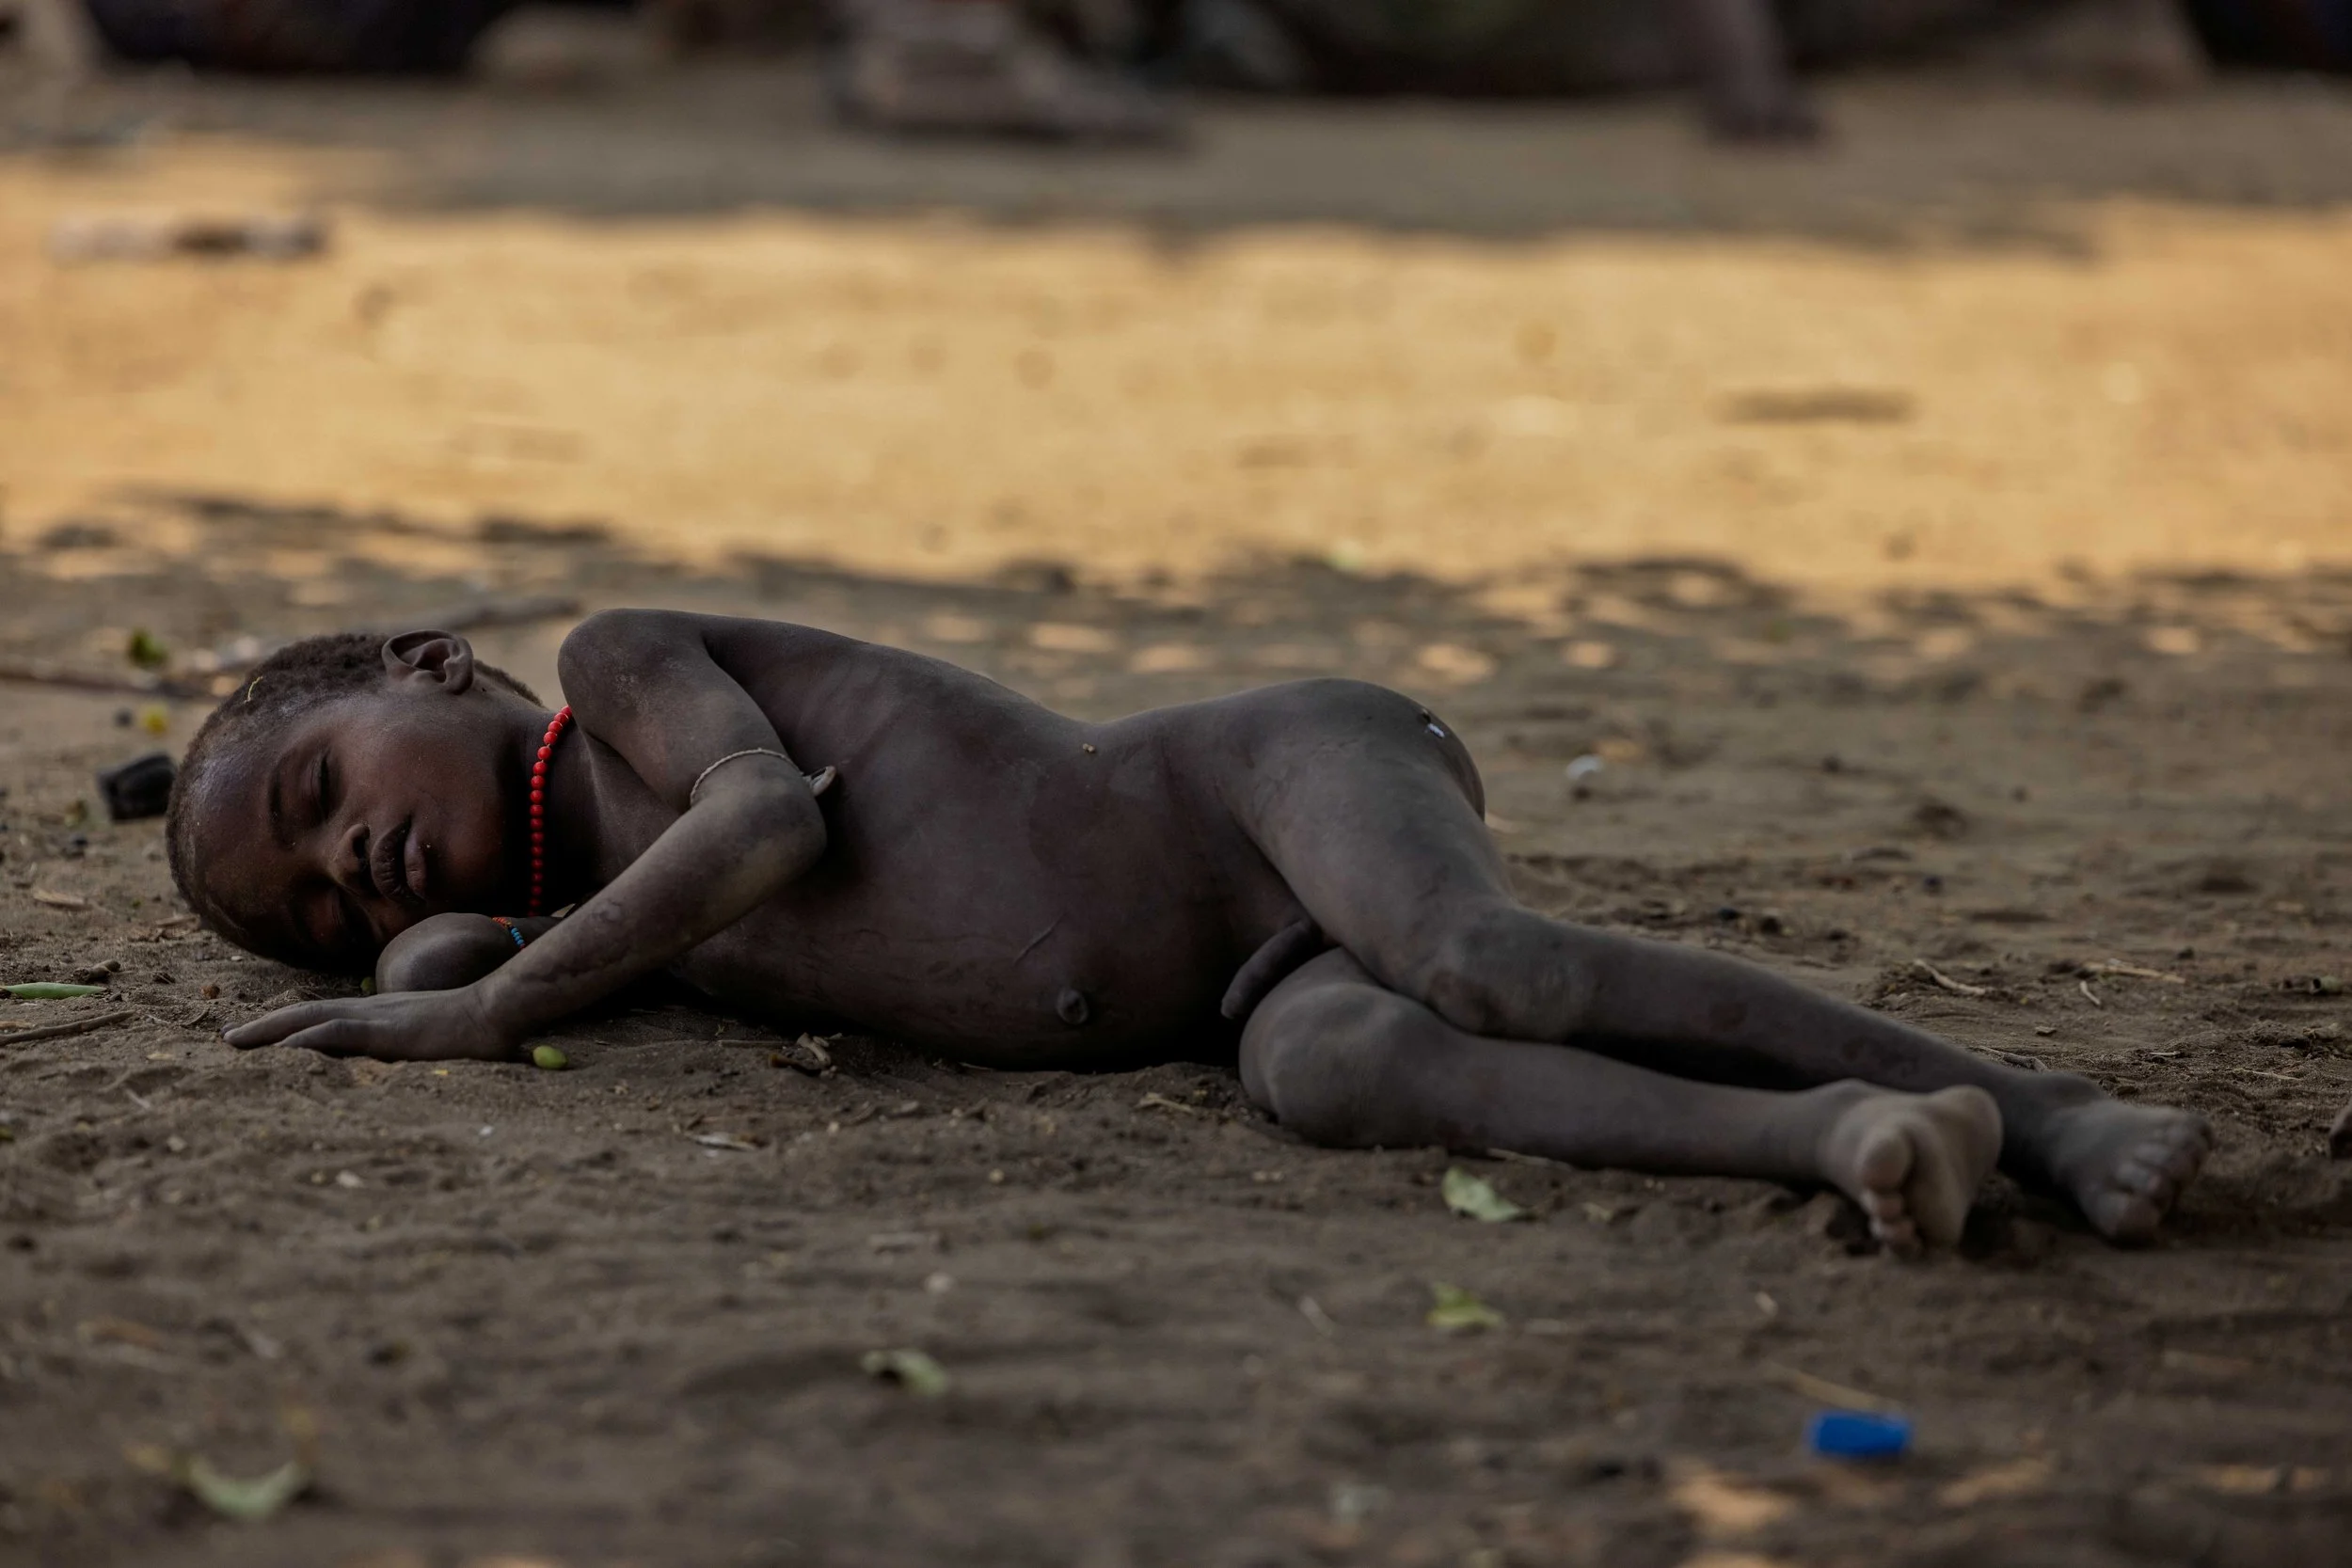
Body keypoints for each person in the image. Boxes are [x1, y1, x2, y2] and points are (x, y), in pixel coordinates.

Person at [173, 612, 2211, 1253]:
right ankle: (1850, 1135)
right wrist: (431, 966)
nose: (356, 858)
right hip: (1230, 986)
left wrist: (493, 997)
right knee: (1337, 1070)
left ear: (431, 658)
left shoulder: (616, 672)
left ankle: (2033, 1101)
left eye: (319, 792)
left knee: (1481, 963)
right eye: (315, 902)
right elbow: (442, 965)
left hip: (1256, 782)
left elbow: (767, 820)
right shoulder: (562, 917)